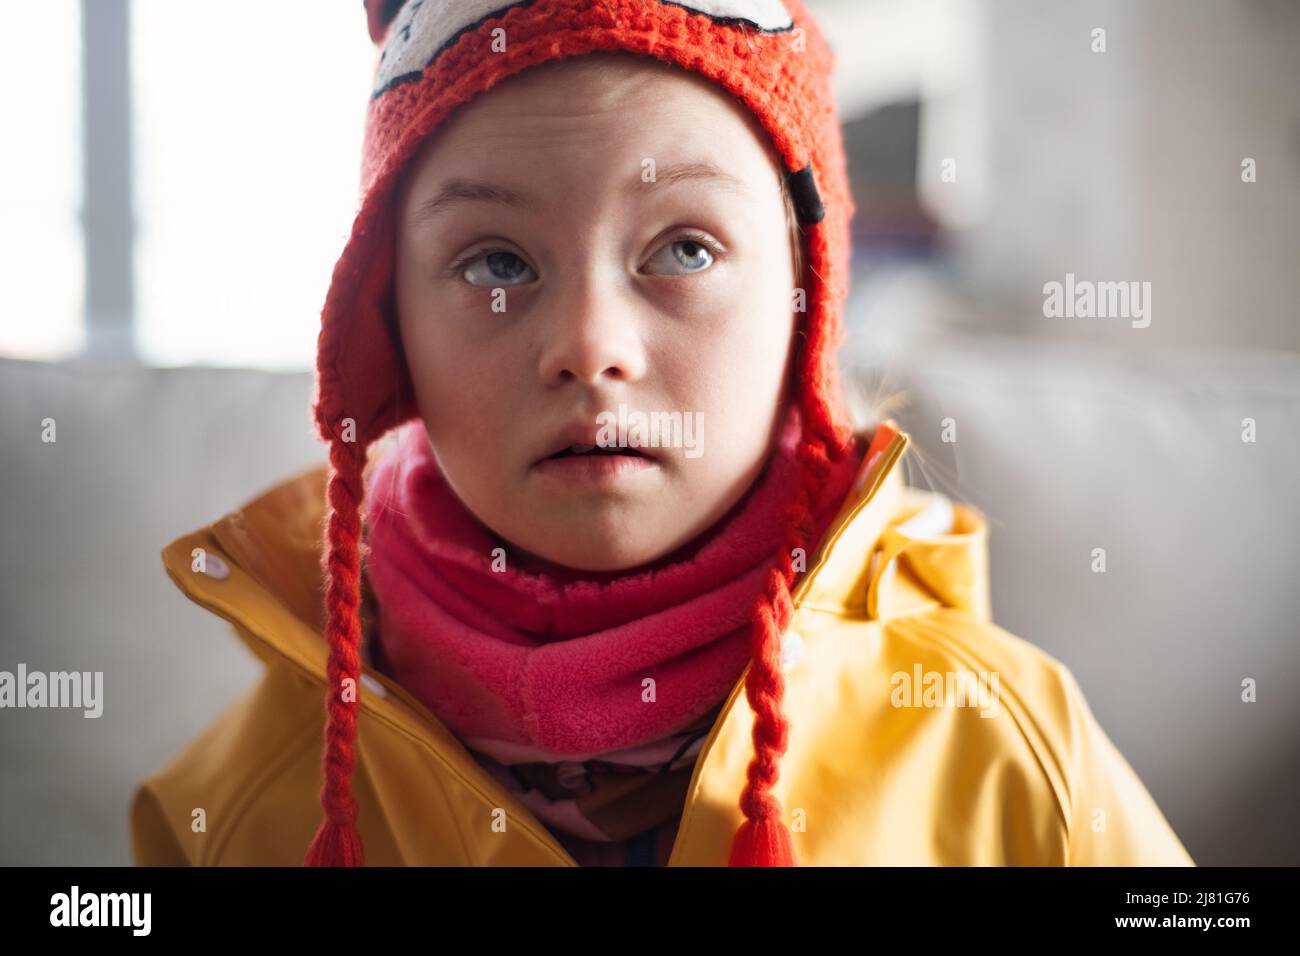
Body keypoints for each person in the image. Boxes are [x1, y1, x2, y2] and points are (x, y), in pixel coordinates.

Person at [131, 0, 1194, 867]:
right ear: (390, 330)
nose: (587, 347)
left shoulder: (1005, 749)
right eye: (497, 265)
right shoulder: (233, 816)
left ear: (804, 301)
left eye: (683, 251)